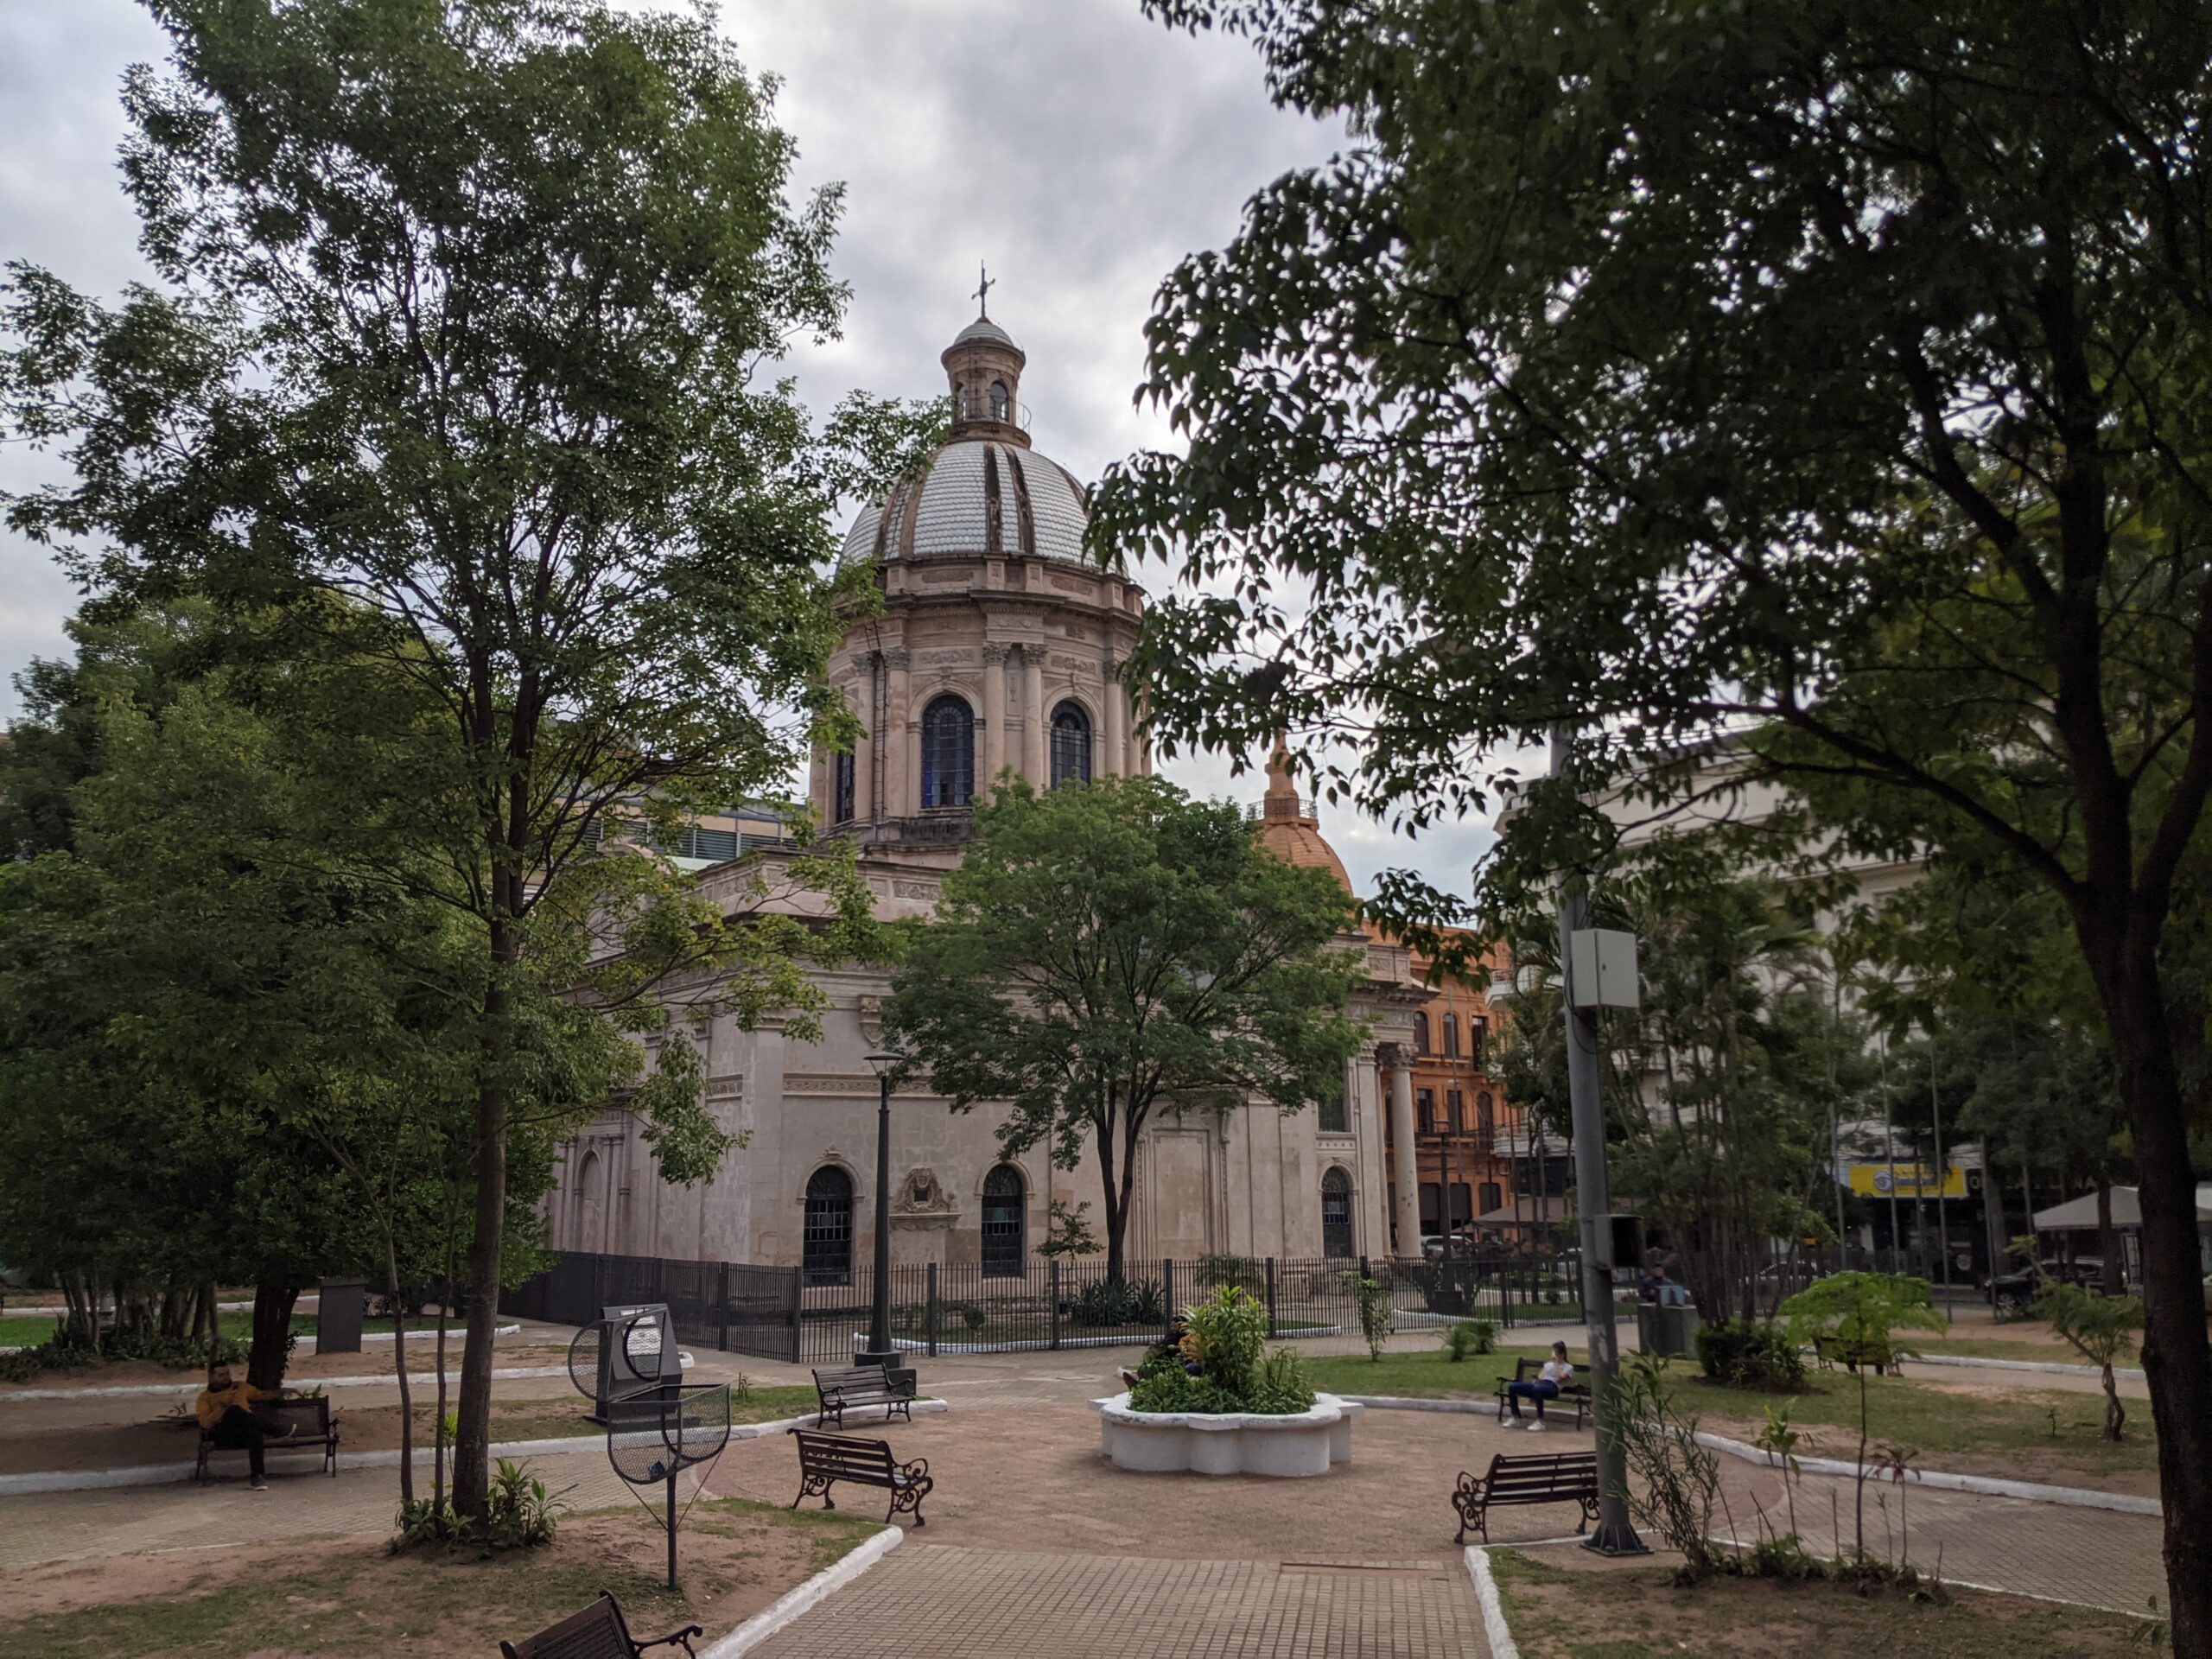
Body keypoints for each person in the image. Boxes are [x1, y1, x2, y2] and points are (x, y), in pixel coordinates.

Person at [195, 1364, 287, 1491]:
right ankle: (271, 1430)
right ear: (212, 1377)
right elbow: (205, 1423)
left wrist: (281, 1392)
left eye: (227, 1373)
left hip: (245, 1433)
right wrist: (223, 1408)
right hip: (223, 1433)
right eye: (221, 1375)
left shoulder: (240, 1387)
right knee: (234, 1410)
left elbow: (262, 1395)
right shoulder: (205, 1397)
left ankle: (257, 1477)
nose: (226, 1377)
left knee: (254, 1434)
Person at [1504, 1340, 1574, 1431]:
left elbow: (1558, 1379)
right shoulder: (1548, 1365)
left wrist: (1556, 1363)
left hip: (1553, 1388)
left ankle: (1540, 1422)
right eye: (1553, 1352)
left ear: (1562, 1354)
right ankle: (1515, 1417)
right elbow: (1540, 1377)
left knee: (1538, 1390)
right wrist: (1536, 1380)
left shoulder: (1568, 1367)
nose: (1553, 1354)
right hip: (1541, 1385)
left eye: (1556, 1352)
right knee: (1513, 1387)